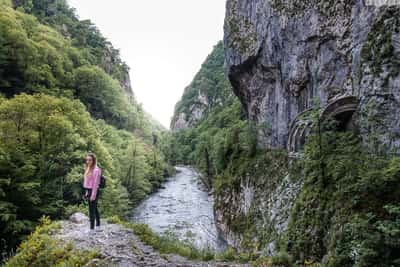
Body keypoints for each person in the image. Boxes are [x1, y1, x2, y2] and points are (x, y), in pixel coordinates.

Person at [83, 153, 102, 231]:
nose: (88, 161)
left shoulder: (96, 170)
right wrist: (86, 192)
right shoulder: (88, 168)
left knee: (91, 210)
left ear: (93, 160)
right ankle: (98, 224)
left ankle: (91, 229)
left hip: (94, 191)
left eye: (90, 160)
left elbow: (95, 184)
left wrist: (93, 196)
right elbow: (87, 182)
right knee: (95, 208)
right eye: (87, 160)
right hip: (89, 190)